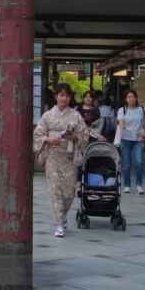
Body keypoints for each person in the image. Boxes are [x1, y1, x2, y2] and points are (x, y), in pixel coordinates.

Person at [33, 83, 89, 238]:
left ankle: (63, 215)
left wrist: (75, 136)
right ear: (56, 97)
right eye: (61, 95)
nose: (64, 98)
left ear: (70, 98)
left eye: (67, 95)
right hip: (52, 156)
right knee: (55, 190)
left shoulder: (76, 115)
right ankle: (58, 223)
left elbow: (84, 135)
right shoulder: (47, 116)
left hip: (69, 156)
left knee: (69, 191)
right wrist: (48, 139)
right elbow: (37, 135)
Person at [117, 90, 145, 195]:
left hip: (138, 140)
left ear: (136, 98)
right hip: (125, 140)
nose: (131, 99)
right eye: (128, 97)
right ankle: (127, 185)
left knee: (139, 162)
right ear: (125, 99)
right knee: (126, 164)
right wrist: (121, 132)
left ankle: (139, 185)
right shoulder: (122, 110)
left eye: (132, 97)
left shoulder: (142, 109)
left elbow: (144, 124)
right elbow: (121, 124)